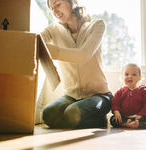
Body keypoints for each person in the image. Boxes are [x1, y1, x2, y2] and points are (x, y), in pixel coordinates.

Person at [40, 0, 112, 129]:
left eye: (58, 5)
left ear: (72, 2)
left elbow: (82, 55)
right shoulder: (53, 30)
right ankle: (77, 120)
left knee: (72, 113)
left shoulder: (97, 26)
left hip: (99, 95)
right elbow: (36, 41)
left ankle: (98, 119)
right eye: (51, 8)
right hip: (71, 97)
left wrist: (51, 51)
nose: (55, 11)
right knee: (47, 114)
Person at [110, 63, 146, 129]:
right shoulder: (120, 92)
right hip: (124, 117)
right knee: (112, 119)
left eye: (134, 74)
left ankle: (137, 124)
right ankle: (126, 124)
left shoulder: (143, 91)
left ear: (140, 77)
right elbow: (115, 102)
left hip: (139, 117)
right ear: (122, 77)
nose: (130, 76)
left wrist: (141, 114)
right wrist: (116, 112)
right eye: (126, 74)